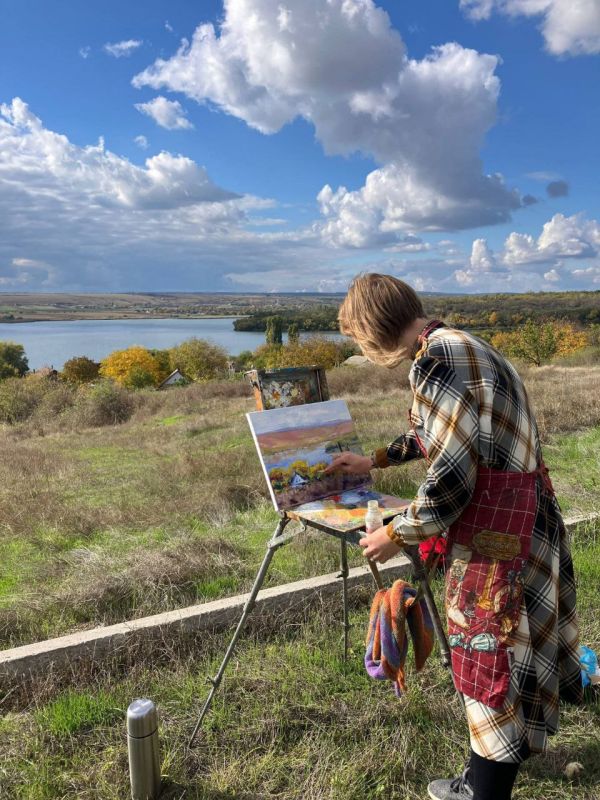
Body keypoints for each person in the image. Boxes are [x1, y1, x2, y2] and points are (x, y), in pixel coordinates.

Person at [327, 274, 582, 800]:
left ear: (373, 329)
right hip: (521, 518)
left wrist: (397, 533)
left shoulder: (435, 362)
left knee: (489, 658)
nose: (361, 349)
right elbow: (436, 433)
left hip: (497, 535)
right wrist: (375, 458)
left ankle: (484, 793)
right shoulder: (460, 344)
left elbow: (451, 478)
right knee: (509, 655)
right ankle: (479, 776)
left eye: (357, 338)